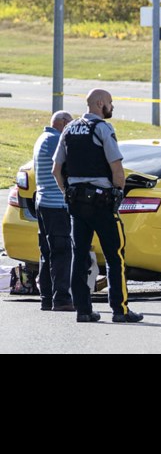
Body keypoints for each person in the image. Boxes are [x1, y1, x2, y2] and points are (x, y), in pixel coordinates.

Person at [52, 88, 143, 324]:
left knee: (79, 256)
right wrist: (117, 195)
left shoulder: (69, 129)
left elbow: (56, 169)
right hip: (102, 202)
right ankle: (120, 310)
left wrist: (67, 193)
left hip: (76, 203)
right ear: (100, 103)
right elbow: (117, 169)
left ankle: (83, 310)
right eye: (110, 103)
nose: (112, 107)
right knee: (115, 257)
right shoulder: (103, 128)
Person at [33, 110, 75, 312]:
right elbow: (66, 167)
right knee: (62, 252)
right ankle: (61, 299)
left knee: (47, 252)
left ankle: (47, 298)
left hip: (43, 203)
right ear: (64, 123)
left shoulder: (43, 137)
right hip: (56, 204)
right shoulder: (56, 140)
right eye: (71, 125)